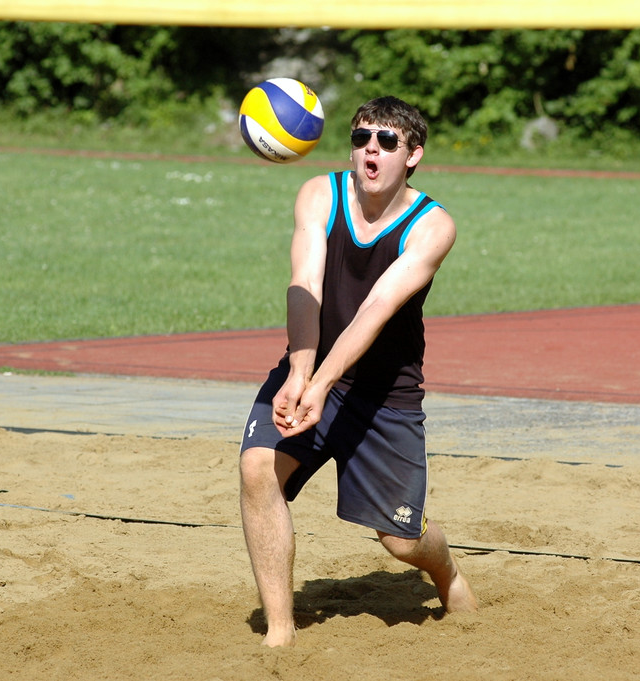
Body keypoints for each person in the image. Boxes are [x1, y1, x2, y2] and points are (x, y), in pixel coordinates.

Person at [238, 96, 478, 647]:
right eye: (361, 138)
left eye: (387, 141)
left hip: (384, 395)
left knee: (400, 542)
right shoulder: (319, 194)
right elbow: (305, 284)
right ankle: (280, 630)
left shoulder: (433, 225)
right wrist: (300, 371)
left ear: (413, 155)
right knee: (257, 469)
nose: (371, 149)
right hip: (310, 366)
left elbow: (375, 309)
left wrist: (320, 384)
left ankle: (446, 571)